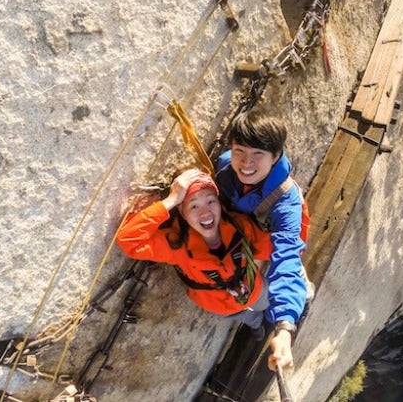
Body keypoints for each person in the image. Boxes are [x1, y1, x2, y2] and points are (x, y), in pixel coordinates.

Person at [115, 168, 294, 370]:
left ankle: (261, 321)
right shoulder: (177, 244)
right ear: (181, 212)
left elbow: (277, 247)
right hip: (218, 305)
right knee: (248, 317)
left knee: (266, 304)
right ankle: (254, 324)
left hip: (254, 289)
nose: (206, 212)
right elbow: (128, 239)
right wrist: (170, 200)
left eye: (211, 201)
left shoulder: (238, 225)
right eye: (193, 206)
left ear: (219, 202)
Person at [214, 109, 310, 371]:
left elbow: (286, 255)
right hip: (246, 235)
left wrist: (285, 328)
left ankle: (294, 300)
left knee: (282, 277)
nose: (246, 163)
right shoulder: (225, 166)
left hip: (270, 244)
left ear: (275, 156)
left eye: (257, 155)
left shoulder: (286, 203)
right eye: (240, 151)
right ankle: (258, 321)